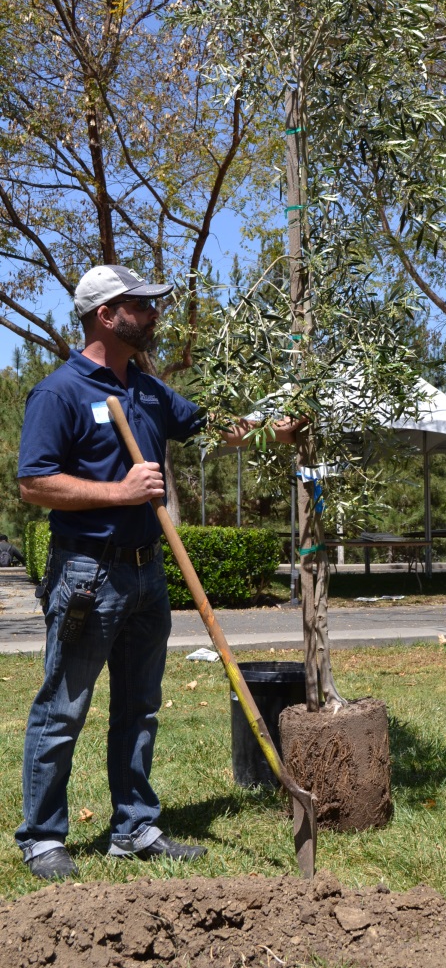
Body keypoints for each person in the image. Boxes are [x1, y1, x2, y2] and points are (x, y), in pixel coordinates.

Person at [16, 263, 301, 881]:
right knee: (62, 709)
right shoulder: (59, 392)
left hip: (147, 574)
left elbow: (211, 427)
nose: (152, 314)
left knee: (140, 706)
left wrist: (266, 430)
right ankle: (42, 838)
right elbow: (34, 483)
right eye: (139, 306)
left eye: (151, 304)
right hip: (88, 574)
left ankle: (134, 827)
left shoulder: (146, 389)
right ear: (103, 315)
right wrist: (118, 492)